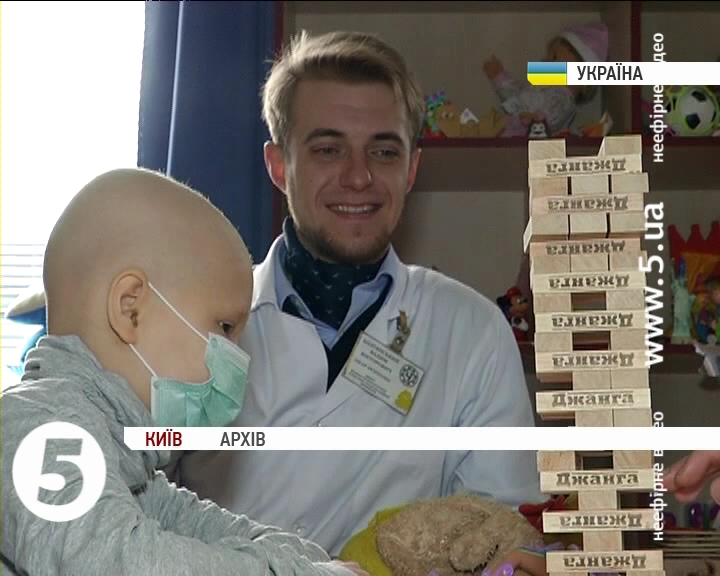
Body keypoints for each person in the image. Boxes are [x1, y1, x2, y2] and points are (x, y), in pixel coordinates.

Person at [171, 29, 545, 560]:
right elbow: (138, 511)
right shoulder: (192, 323)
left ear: (411, 170)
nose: (359, 176)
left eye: (383, 151)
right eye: (328, 149)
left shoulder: (473, 332)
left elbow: (504, 541)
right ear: (278, 166)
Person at [0, 168, 367, 576]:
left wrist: (312, 562)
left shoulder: (124, 460)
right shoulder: (40, 429)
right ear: (130, 309)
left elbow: (192, 523)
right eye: (224, 328)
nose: (238, 359)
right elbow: (119, 564)